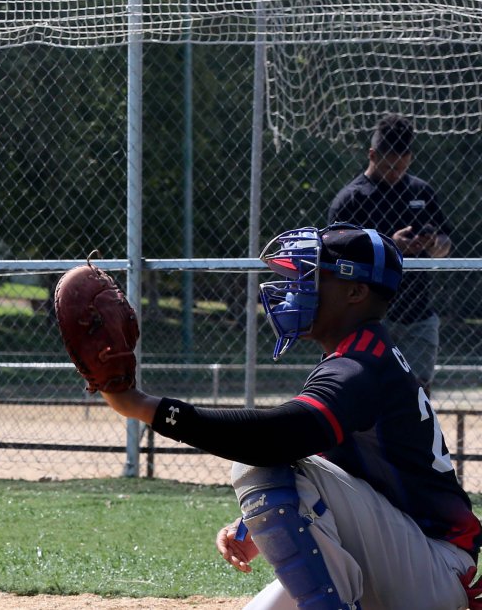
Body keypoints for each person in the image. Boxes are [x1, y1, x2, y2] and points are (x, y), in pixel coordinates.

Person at [98, 223, 481, 609]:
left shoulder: (360, 365)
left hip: (432, 566)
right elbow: (327, 460)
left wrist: (145, 406)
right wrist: (254, 524)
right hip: (410, 559)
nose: (296, 286)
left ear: (355, 291)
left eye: (312, 276)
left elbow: (275, 440)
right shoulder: (359, 355)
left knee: (257, 467)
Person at [328, 114, 452, 388]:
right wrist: (389, 245)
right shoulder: (351, 200)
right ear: (372, 155)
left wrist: (433, 244)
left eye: (402, 167)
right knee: (363, 391)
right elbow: (334, 259)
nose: (396, 174)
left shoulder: (422, 191)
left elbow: (445, 244)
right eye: (389, 167)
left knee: (417, 394)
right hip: (366, 316)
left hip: (417, 315)